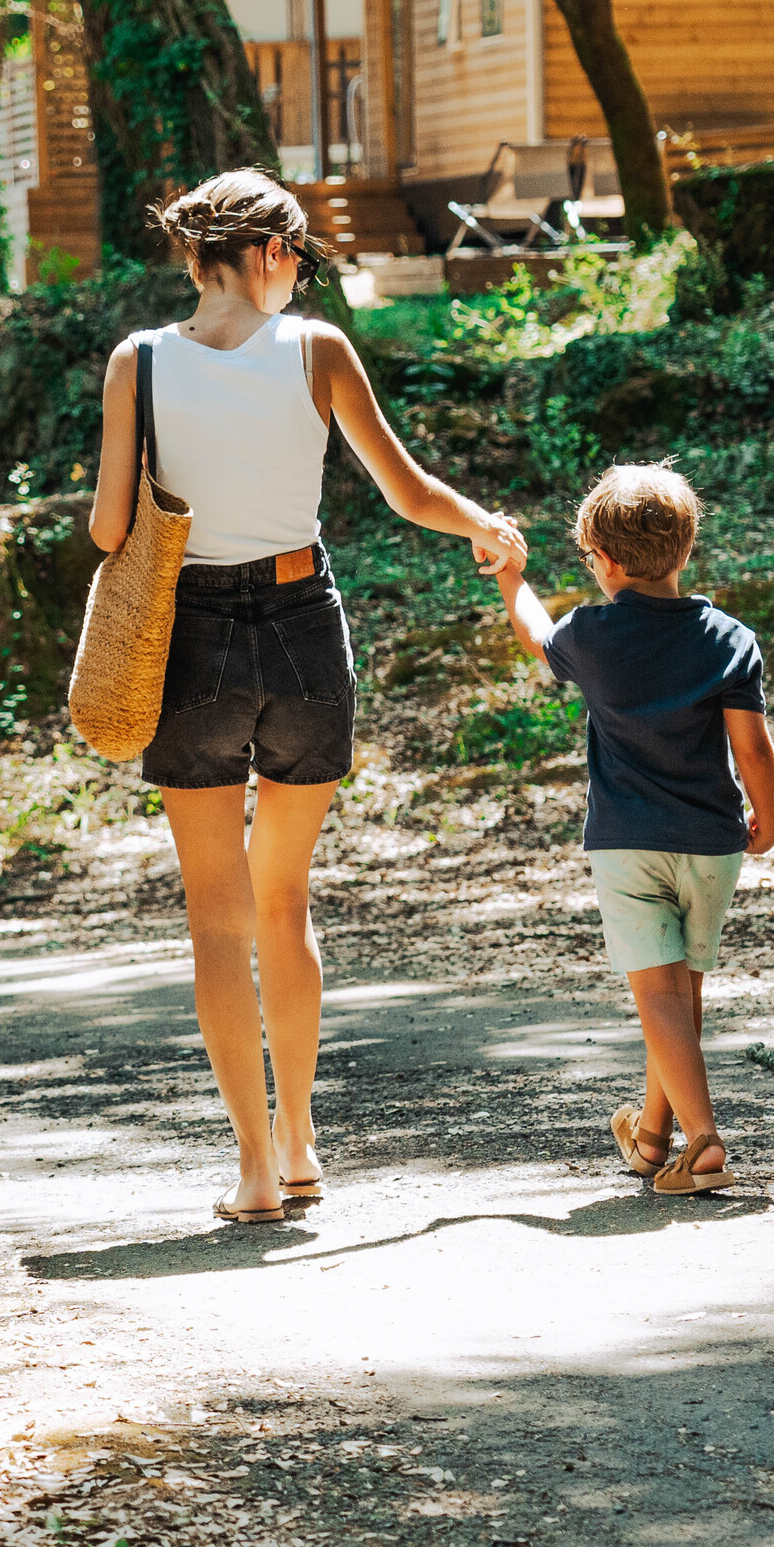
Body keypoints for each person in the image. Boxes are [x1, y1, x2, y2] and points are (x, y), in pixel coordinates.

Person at [88, 171, 524, 1226]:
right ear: (273, 253)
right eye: (301, 262)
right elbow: (407, 490)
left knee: (216, 918)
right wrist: (486, 526)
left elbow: (108, 530)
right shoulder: (317, 349)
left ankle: (250, 1168)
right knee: (284, 901)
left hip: (190, 639)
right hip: (300, 629)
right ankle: (299, 1142)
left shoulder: (138, 361)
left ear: (199, 258)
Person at [489, 462, 774, 1195]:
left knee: (658, 995)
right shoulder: (730, 638)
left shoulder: (592, 634)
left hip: (628, 843)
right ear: (685, 551)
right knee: (682, 993)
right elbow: (752, 748)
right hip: (712, 844)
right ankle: (653, 1136)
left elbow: (532, 634)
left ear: (606, 561)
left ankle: (704, 1142)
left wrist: (511, 575)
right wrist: (772, 813)